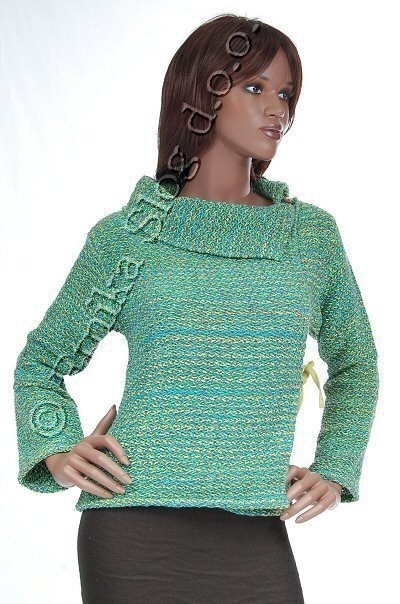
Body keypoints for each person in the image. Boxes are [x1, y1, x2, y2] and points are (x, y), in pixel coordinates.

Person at [13, 13, 379, 603]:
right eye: (255, 87)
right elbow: (40, 363)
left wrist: (337, 463)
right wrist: (55, 445)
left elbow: (356, 362)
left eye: (286, 94)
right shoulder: (131, 237)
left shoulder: (309, 238)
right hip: (131, 530)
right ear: (204, 94)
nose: (278, 110)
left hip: (254, 531)